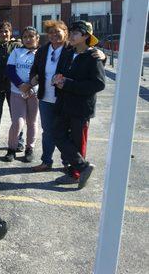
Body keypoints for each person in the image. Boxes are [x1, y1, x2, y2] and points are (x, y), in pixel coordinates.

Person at [29, 19, 105, 172]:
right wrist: (35, 77)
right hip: (49, 98)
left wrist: (102, 55)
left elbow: (96, 78)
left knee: (72, 136)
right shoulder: (47, 51)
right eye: (50, 33)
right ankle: (53, 162)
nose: (54, 35)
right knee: (52, 131)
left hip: (69, 101)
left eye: (58, 32)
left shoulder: (73, 50)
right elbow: (37, 68)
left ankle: (71, 166)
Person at [51, 21, 105, 188]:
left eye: (76, 33)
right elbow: (60, 72)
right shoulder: (68, 53)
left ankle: (74, 174)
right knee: (57, 134)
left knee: (77, 142)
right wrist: (57, 79)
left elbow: (98, 84)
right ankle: (82, 167)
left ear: (86, 36)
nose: (71, 35)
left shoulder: (93, 56)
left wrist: (69, 84)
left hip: (81, 108)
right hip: (64, 104)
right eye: (71, 32)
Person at [0, 22, 24, 151]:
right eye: (1, 31)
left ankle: (19, 141)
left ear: (10, 33)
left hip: (12, 87)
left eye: (6, 31)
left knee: (15, 115)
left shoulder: (17, 46)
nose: (4, 34)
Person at [3, 26, 40, 163]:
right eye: (25, 37)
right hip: (17, 92)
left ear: (37, 38)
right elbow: (10, 71)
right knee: (17, 122)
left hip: (34, 93)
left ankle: (29, 149)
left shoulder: (41, 53)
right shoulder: (16, 52)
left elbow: (43, 72)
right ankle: (11, 149)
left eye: (31, 36)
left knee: (32, 122)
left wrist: (31, 85)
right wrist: (21, 85)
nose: (28, 39)